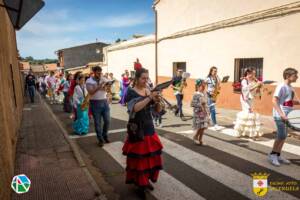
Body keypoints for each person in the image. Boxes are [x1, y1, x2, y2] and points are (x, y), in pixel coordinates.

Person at [122, 68, 163, 198]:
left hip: (149, 127)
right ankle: (140, 185)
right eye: (143, 78)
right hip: (137, 128)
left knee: (150, 158)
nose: (146, 81)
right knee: (139, 160)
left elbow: (156, 111)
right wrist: (149, 97)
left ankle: (145, 181)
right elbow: (134, 108)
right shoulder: (130, 91)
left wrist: (158, 102)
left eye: (147, 78)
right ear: (136, 78)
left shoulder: (147, 90)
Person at [269, 68, 299, 166]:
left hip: (287, 115)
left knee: (284, 135)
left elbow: (287, 101)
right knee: (281, 135)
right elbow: (274, 100)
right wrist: (281, 114)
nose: (297, 77)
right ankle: (272, 155)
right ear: (287, 76)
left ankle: (278, 155)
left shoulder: (290, 87)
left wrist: (297, 102)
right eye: (295, 75)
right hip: (280, 115)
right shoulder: (281, 86)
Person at [233, 68, 263, 139]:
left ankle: (249, 132)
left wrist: (259, 86)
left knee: (250, 114)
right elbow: (246, 90)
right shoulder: (244, 80)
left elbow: (257, 88)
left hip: (251, 99)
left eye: (254, 74)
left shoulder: (253, 80)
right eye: (253, 74)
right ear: (248, 73)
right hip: (245, 99)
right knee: (248, 113)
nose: (254, 75)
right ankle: (239, 132)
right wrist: (256, 85)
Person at [86, 66, 110, 147]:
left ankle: (104, 135)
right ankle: (100, 139)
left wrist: (107, 87)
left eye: (100, 72)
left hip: (104, 102)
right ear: (94, 72)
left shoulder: (104, 79)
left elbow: (108, 90)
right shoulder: (89, 81)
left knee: (107, 121)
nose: (99, 74)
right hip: (94, 103)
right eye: (98, 72)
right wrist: (99, 87)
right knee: (97, 123)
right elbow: (90, 92)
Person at [191, 79, 210, 145]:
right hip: (199, 112)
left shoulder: (204, 93)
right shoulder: (196, 94)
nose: (204, 86)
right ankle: (195, 137)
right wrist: (201, 104)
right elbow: (192, 104)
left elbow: (206, 103)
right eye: (202, 85)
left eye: (204, 85)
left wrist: (207, 110)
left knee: (204, 126)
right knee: (201, 126)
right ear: (198, 86)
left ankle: (200, 140)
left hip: (205, 111)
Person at [206, 66, 222, 130]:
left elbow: (219, 85)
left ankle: (205, 121)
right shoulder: (208, 78)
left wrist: (218, 88)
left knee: (209, 109)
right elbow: (203, 85)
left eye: (216, 71)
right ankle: (215, 124)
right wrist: (209, 91)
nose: (215, 72)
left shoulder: (217, 78)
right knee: (212, 109)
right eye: (214, 71)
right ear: (211, 71)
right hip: (209, 95)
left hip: (215, 94)